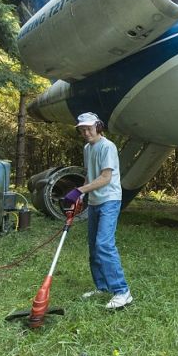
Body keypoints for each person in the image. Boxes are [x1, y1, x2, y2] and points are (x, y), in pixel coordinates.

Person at [63, 112, 132, 310]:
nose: (85, 132)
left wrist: (78, 190)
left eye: (89, 128)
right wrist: (82, 196)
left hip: (109, 200)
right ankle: (102, 287)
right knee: (93, 246)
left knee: (104, 244)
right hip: (94, 201)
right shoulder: (87, 148)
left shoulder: (107, 146)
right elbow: (90, 175)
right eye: (82, 129)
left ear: (98, 127)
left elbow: (105, 178)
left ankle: (122, 291)